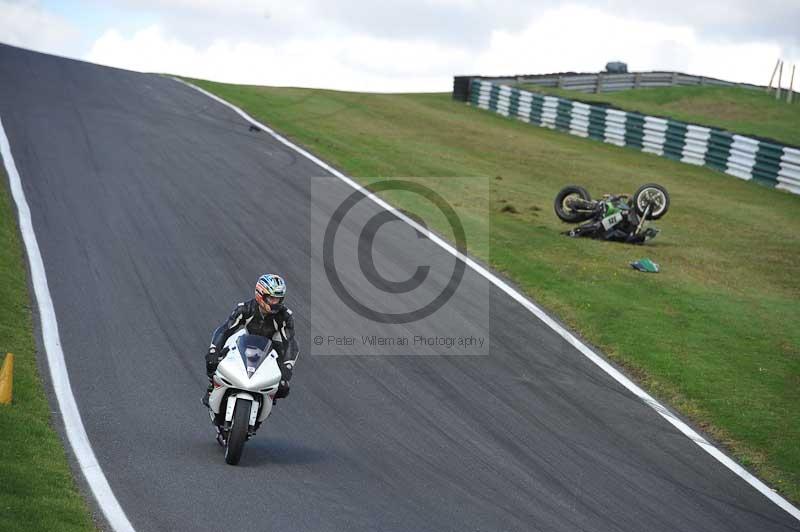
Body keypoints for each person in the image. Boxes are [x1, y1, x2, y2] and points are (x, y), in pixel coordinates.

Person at [202, 274, 299, 406]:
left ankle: (267, 398)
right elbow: (226, 329)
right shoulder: (245, 308)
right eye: (271, 298)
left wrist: (287, 367)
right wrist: (214, 350)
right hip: (245, 342)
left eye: (278, 299)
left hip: (271, 348)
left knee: (283, 388)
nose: (275, 303)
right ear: (261, 294)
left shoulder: (285, 316)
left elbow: (291, 342)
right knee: (214, 359)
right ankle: (212, 387)